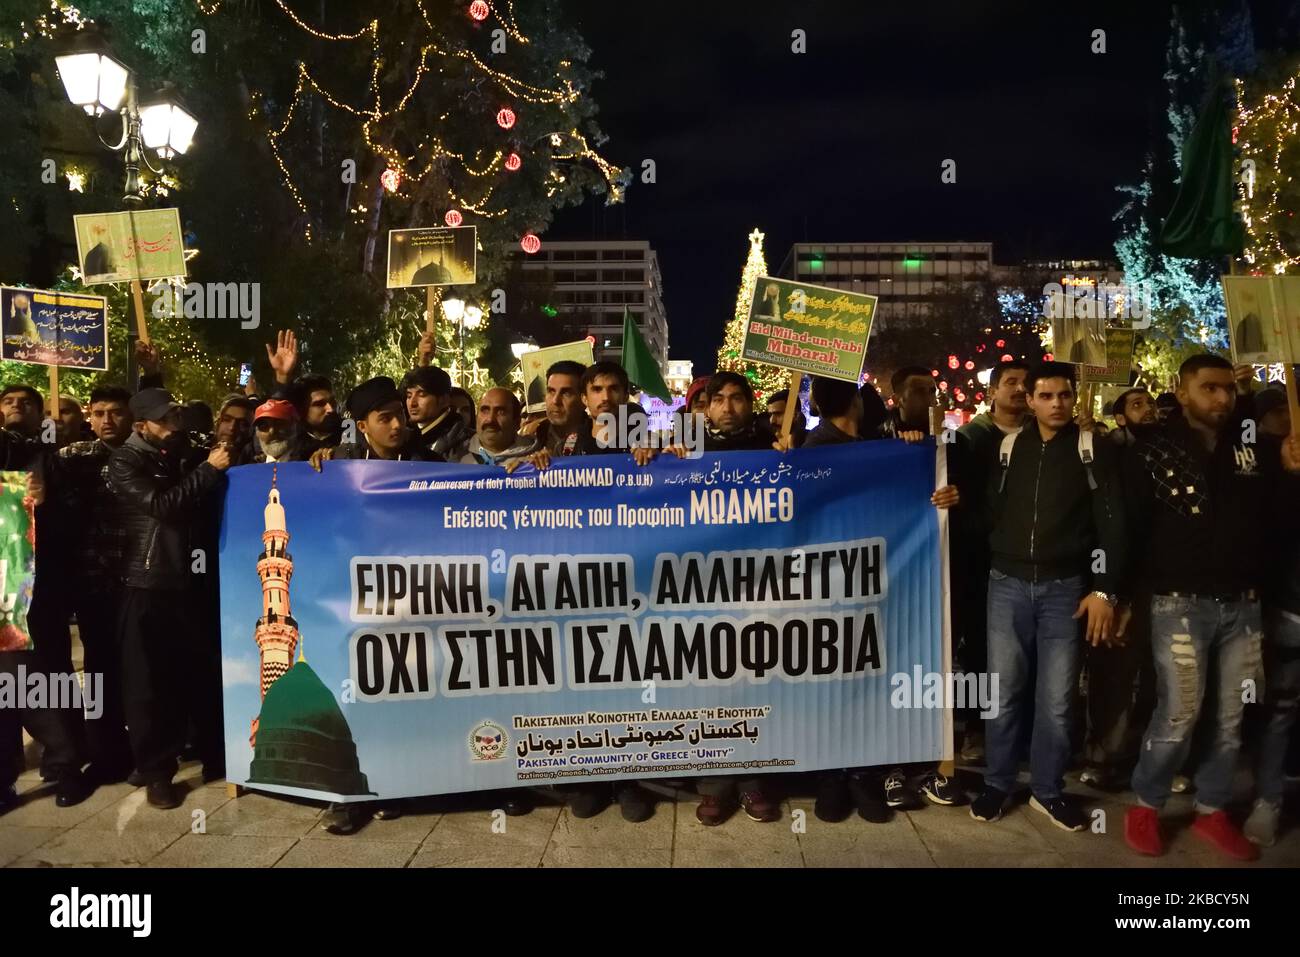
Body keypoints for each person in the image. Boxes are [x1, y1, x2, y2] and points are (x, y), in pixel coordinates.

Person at [1122, 354, 1300, 860]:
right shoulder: (1152, 449)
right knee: (1178, 712)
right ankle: (1147, 804)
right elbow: (1132, 529)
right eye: (1209, 389)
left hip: (1243, 607)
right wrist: (1122, 595)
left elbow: (1280, 527)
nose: (1222, 398)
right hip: (1177, 605)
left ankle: (1212, 809)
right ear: (1182, 393)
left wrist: (1290, 473)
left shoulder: (1255, 452)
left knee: (1231, 716)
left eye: (1228, 390)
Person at [970, 361, 1126, 832]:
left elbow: (1113, 523)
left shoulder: (1091, 449)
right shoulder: (1007, 447)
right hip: (1006, 585)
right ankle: (997, 783)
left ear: (1073, 397)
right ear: (1031, 401)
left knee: (1057, 698)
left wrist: (1105, 589)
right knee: (1003, 692)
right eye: (1046, 396)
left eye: (1064, 395)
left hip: (1065, 590)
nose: (1056, 403)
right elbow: (989, 514)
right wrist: (949, 501)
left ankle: (1048, 789)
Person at [800, 376, 961, 821]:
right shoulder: (813, 449)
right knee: (831, 676)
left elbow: (921, 494)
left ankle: (863, 773)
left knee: (870, 676)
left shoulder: (886, 446)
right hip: (829, 585)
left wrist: (924, 466)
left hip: (879, 582)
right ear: (853, 401)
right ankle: (832, 774)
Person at [108, 388, 232, 809]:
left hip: (189, 584)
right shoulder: (125, 462)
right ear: (141, 426)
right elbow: (163, 506)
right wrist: (209, 471)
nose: (174, 425)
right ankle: (158, 772)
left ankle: (212, 753)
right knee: (147, 685)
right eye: (164, 420)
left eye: (176, 416)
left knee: (195, 675)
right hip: (146, 583)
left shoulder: (181, 453)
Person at [0, 385, 91, 813]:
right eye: (8, 402)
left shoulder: (56, 461)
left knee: (40, 678)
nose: (16, 407)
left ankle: (65, 763)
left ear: (42, 414)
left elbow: (78, 521)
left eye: (26, 402)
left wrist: (47, 502)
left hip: (39, 593)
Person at [56, 385, 136, 783]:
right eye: (99, 412)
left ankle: (149, 749)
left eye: (116, 412)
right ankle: (108, 752)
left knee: (143, 670)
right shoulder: (73, 459)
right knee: (100, 669)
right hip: (94, 584)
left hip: (141, 583)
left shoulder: (150, 455)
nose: (107, 420)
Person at [315, 377, 441, 465]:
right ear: (362, 426)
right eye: (385, 419)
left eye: (400, 413)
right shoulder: (341, 462)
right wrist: (320, 463)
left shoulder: (430, 462)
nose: (397, 424)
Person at [401, 366, 472, 459]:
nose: (412, 403)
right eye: (409, 396)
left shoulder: (465, 441)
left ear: (444, 400)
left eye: (422, 395)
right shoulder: (406, 438)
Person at [525, 360, 588, 459]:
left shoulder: (600, 439)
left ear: (584, 399)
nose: (555, 400)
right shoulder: (529, 436)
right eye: (551, 391)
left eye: (566, 393)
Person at [460, 388, 537, 465]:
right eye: (485, 410)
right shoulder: (458, 458)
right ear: (476, 417)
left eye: (501, 412)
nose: (490, 419)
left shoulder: (535, 457)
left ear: (516, 422)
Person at [879, 366, 938, 438]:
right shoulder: (879, 438)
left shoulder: (950, 438)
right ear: (896, 400)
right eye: (919, 392)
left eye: (932, 391)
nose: (929, 398)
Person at [251, 399, 302, 463]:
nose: (272, 431)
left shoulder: (312, 461)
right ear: (257, 433)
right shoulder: (249, 464)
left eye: (279, 424)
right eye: (263, 426)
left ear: (295, 426)